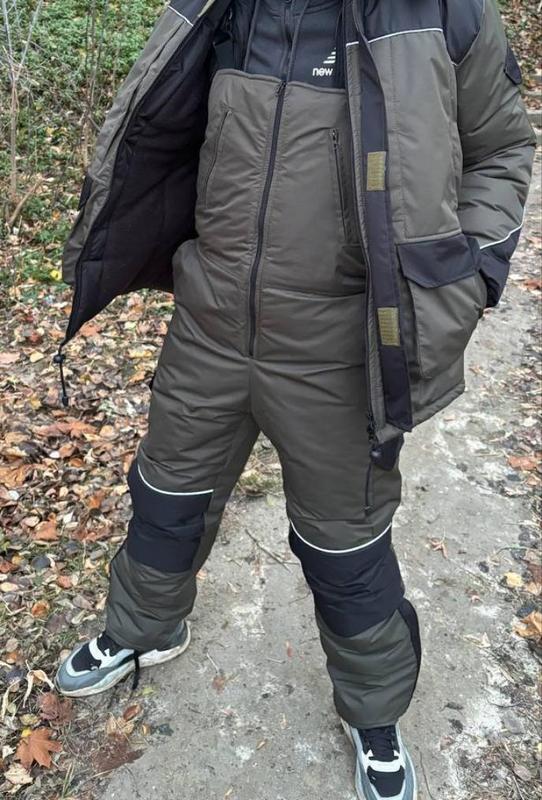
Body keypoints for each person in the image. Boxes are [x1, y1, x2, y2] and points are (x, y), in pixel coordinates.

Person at [54, 0, 535, 797]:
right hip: (209, 323)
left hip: (338, 350)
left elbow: (503, 148)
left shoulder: (444, 15)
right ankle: (142, 629)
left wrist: (471, 272)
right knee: (166, 496)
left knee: (345, 548)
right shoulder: (223, 7)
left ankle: (373, 714)